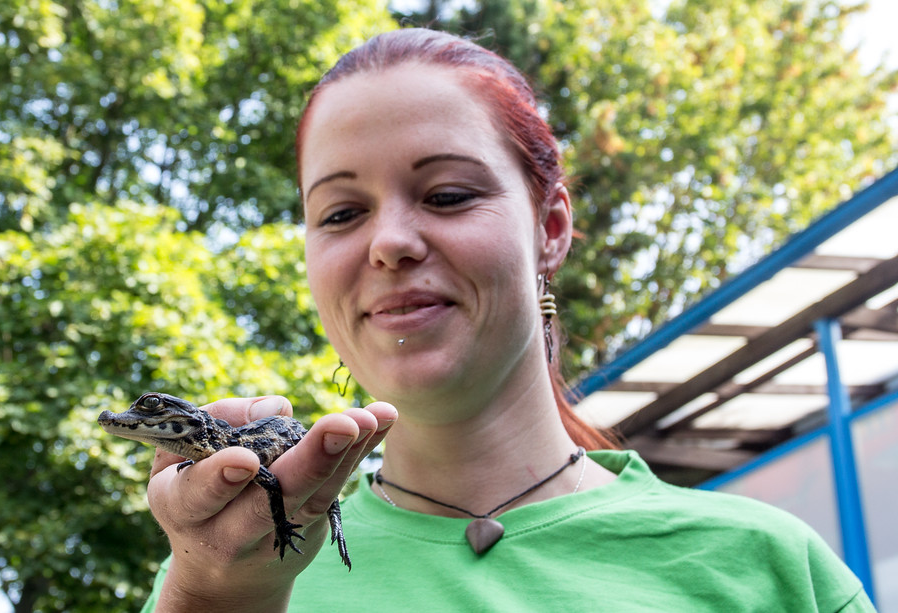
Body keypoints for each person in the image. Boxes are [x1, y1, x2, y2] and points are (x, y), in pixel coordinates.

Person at [140, 28, 874, 611]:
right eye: (342, 212)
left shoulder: (771, 569)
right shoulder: (223, 571)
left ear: (550, 226)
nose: (390, 241)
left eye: (449, 194)